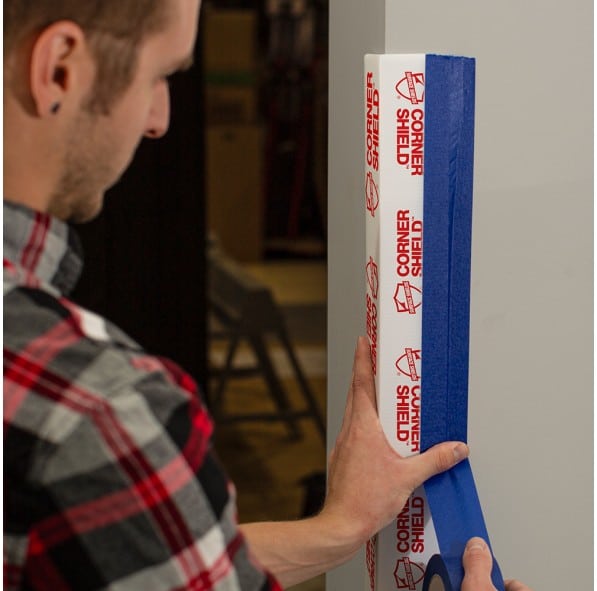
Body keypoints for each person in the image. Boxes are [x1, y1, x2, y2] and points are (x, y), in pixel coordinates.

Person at [3, 1, 532, 590]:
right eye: (159, 76)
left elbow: (145, 557)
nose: (159, 120)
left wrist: (343, 526)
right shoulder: (96, 413)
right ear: (59, 69)